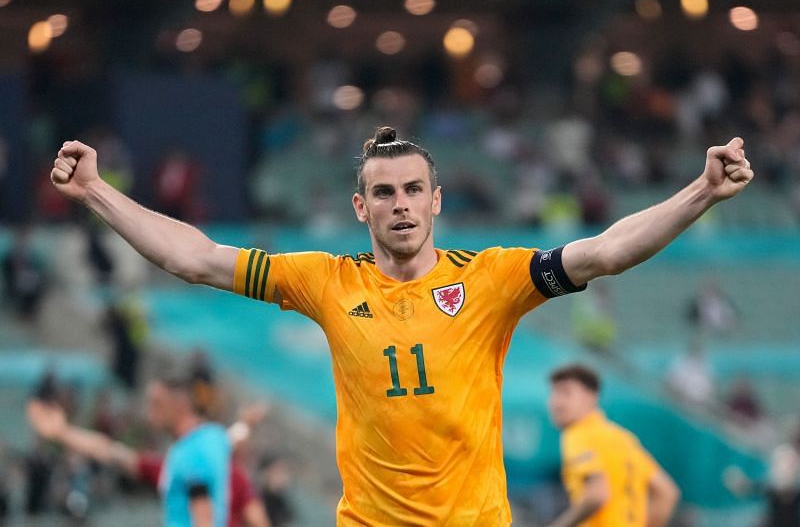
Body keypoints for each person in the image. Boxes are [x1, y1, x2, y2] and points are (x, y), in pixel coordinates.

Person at [49, 127, 753, 524]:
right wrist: (94, 191)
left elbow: (604, 251)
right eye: (383, 192)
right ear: (361, 207)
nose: (401, 204)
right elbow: (198, 258)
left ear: (436, 198)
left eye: (414, 189)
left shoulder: (491, 280)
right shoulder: (326, 282)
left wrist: (702, 191)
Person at [26, 394, 269, 527]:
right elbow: (111, 451)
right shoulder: (227, 471)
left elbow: (111, 451)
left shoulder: (192, 464)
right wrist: (63, 433)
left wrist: (63, 433)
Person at [547, 364, 680, 527]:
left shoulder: (578, 433)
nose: (555, 402)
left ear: (592, 396)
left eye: (565, 393)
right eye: (553, 392)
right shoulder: (624, 438)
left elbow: (597, 494)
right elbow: (667, 493)